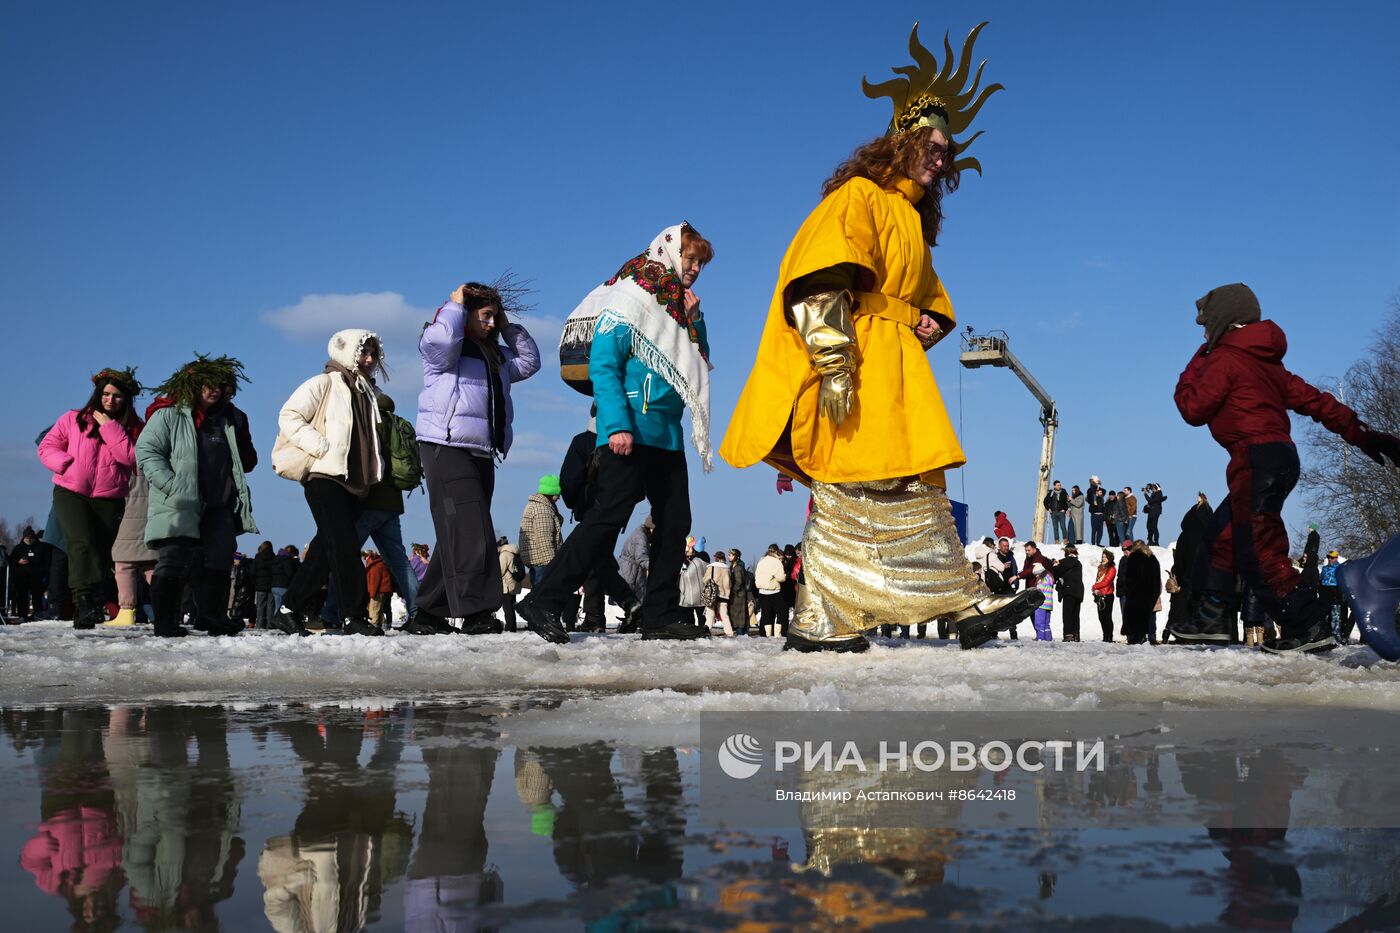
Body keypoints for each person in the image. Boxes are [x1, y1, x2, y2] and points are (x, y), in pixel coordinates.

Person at [719, 23, 1035, 652]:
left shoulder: (914, 224)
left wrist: (927, 321)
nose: (940, 154)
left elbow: (933, 299)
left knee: (905, 483)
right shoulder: (860, 196)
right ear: (902, 140)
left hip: (897, 365)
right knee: (859, 481)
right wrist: (834, 364)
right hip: (861, 359)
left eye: (948, 148)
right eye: (931, 142)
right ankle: (855, 614)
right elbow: (819, 278)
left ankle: (940, 603)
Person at [1173, 283, 1400, 653]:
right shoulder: (1268, 365)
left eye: (1205, 325)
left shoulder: (1222, 360)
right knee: (1223, 532)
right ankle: (1211, 616)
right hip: (1279, 458)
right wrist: (1363, 435)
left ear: (1222, 323)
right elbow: (1317, 402)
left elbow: (1192, 408)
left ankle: (1307, 623)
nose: (1202, 333)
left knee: (1257, 550)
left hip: (1255, 459)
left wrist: (1198, 361)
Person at [517, 224, 716, 642]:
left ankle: (659, 615)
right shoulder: (630, 297)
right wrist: (617, 424)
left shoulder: (682, 309)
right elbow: (603, 364)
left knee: (676, 522)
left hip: (666, 436)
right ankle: (542, 599)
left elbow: (697, 366)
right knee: (606, 520)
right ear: (670, 252)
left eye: (700, 262)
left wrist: (695, 323)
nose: (695, 268)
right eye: (690, 258)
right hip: (627, 429)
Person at [415, 280, 546, 638]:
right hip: (446, 447)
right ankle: (475, 612)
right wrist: (456, 302)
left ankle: (429, 612)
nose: (490, 323)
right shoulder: (441, 347)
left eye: (494, 317)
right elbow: (443, 343)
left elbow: (531, 362)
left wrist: (506, 326)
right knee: (474, 531)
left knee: (459, 531)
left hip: (482, 451)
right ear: (466, 315)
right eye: (485, 317)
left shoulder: (496, 356)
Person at [269, 329, 388, 637]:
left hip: (354, 482)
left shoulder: (367, 393)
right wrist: (321, 447)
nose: (370, 359)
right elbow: (290, 415)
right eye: (364, 352)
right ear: (347, 352)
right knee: (346, 546)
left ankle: (288, 609)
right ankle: (353, 615)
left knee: (325, 549)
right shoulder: (323, 383)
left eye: (374, 354)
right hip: (324, 476)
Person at [135, 355, 258, 637]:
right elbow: (147, 451)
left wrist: (240, 434)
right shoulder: (169, 414)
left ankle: (211, 616)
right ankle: (165, 622)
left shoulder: (231, 419)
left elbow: (247, 462)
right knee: (174, 559)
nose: (214, 390)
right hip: (180, 501)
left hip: (219, 503)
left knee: (220, 558)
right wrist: (171, 484)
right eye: (208, 384)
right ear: (193, 383)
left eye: (220, 384)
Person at [37, 367, 143, 628]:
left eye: (117, 396)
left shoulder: (132, 428)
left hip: (110, 497)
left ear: (126, 400)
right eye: (106, 394)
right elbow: (47, 445)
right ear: (98, 394)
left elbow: (130, 458)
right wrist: (64, 463)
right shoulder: (73, 418)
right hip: (71, 491)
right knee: (81, 543)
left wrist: (110, 428)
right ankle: (84, 602)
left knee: (100, 551)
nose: (110, 400)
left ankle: (92, 602)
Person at [557, 409, 643, 633]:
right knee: (599, 560)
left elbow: (569, 479)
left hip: (589, 511)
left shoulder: (583, 441)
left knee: (592, 561)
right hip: (617, 512)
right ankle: (626, 606)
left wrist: (575, 503)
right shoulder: (626, 442)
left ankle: (600, 616)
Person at [518, 475, 564, 587]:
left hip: (537, 559)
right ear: (552, 490)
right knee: (543, 592)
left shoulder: (538, 505)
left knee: (537, 591)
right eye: (558, 493)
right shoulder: (542, 509)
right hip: (543, 560)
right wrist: (552, 564)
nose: (559, 497)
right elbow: (544, 538)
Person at [1119, 540, 1162, 645]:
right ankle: (1147, 637)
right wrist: (1155, 593)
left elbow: (1130, 577)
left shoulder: (1134, 557)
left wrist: (1128, 590)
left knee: (1134, 617)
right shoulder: (1153, 558)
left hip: (1136, 593)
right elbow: (1157, 578)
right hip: (1150, 594)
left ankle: (1137, 638)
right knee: (1147, 617)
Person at [7, 526, 47, 622]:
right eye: (26, 537)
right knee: (22, 597)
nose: (28, 539)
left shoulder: (40, 547)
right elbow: (11, 561)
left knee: (37, 597)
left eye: (30, 537)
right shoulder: (18, 548)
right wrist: (18, 562)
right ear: (23, 537)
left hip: (36, 577)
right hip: (22, 578)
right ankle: (22, 615)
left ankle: (38, 614)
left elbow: (46, 562)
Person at [1052, 544, 1084, 642]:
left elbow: (1056, 571)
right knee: (1075, 614)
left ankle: (1068, 635)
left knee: (1067, 614)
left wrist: (1055, 564)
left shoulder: (1065, 562)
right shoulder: (1078, 563)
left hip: (1068, 590)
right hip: (1078, 591)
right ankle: (1076, 634)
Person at [754, 544, 787, 637]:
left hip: (762, 591)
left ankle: (766, 635)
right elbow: (781, 578)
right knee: (782, 612)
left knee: (766, 614)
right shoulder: (776, 562)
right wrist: (785, 575)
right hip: (773, 591)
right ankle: (778, 634)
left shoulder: (761, 560)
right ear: (776, 551)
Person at [497, 537, 524, 632]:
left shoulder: (505, 554)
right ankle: (512, 626)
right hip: (515, 584)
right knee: (511, 606)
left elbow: (500, 571)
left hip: (507, 585)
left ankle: (510, 628)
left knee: (507, 608)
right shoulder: (515, 552)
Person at [704, 549, 732, 635]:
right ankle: (729, 633)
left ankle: (707, 631)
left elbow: (705, 580)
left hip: (712, 594)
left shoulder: (711, 567)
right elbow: (729, 583)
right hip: (724, 594)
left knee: (710, 614)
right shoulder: (727, 569)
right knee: (724, 615)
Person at [1091, 551, 1117, 643]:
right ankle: (1105, 635)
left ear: (1110, 558)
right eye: (1102, 557)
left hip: (1107, 595)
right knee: (1101, 617)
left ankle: (1109, 636)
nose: (1103, 559)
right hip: (1099, 595)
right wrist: (1095, 591)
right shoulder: (1101, 568)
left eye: (1105, 557)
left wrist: (1094, 587)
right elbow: (1098, 580)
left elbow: (1106, 582)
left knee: (1107, 617)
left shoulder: (1112, 569)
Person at [728, 548, 754, 636]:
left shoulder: (738, 568)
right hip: (738, 595)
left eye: (731, 555)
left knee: (739, 617)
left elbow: (739, 582)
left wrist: (733, 591)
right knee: (739, 617)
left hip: (738, 596)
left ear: (736, 556)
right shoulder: (734, 567)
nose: (729, 557)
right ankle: (742, 633)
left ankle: (741, 635)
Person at [251, 540, 276, 629]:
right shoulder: (274, 557)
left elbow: (253, 571)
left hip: (260, 586)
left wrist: (255, 582)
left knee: (260, 606)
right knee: (270, 606)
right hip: (271, 585)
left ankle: (260, 625)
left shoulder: (258, 557)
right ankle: (269, 625)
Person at [1044, 480, 1069, 545]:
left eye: (1060, 485)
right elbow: (1045, 501)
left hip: (1061, 512)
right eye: (1058, 485)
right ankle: (1056, 540)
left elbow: (1067, 502)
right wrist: (1048, 508)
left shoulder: (1063, 492)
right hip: (1053, 512)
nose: (1059, 486)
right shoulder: (1051, 493)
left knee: (1063, 526)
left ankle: (1065, 540)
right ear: (1054, 486)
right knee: (1055, 527)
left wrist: (1065, 509)